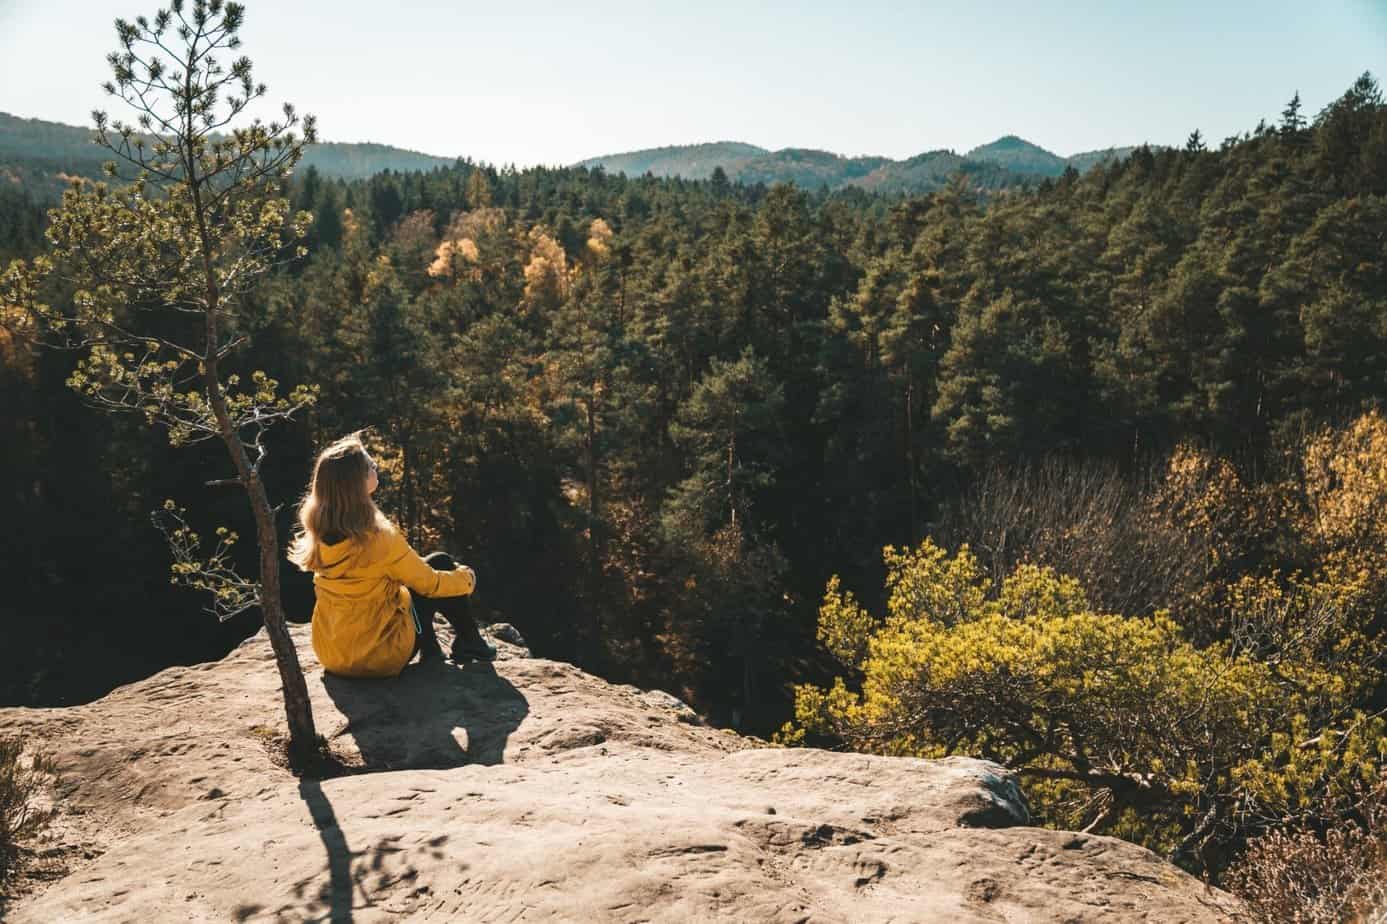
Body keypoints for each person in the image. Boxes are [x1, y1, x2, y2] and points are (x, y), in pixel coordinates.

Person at [286, 432, 496, 678]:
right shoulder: (379, 538)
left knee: (401, 590)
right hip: (381, 657)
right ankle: (470, 643)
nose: (375, 468)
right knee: (439, 564)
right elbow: (430, 585)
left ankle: (434, 650)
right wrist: (467, 579)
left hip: (334, 655)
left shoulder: (317, 532)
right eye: (371, 466)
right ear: (358, 482)